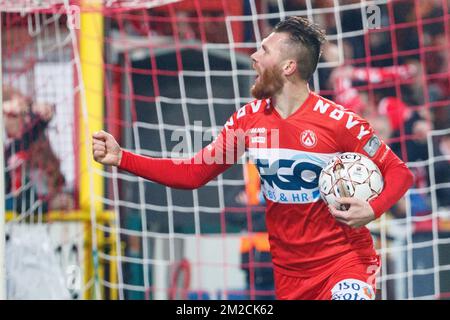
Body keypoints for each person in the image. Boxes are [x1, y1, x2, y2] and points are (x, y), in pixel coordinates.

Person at [92, 16, 414, 300]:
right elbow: (192, 174)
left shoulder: (339, 122)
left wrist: (371, 209)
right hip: (289, 274)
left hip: (345, 263)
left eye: (264, 50)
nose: (253, 56)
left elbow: (399, 172)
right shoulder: (248, 122)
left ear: (289, 67)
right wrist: (123, 158)